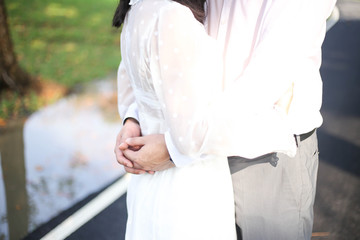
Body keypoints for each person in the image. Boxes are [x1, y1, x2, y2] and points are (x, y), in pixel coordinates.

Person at [116, 0, 337, 239]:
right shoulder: (165, 10)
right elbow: (150, 58)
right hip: (192, 154)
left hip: (262, 157)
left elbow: (268, 74)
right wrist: (134, 118)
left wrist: (175, 146)